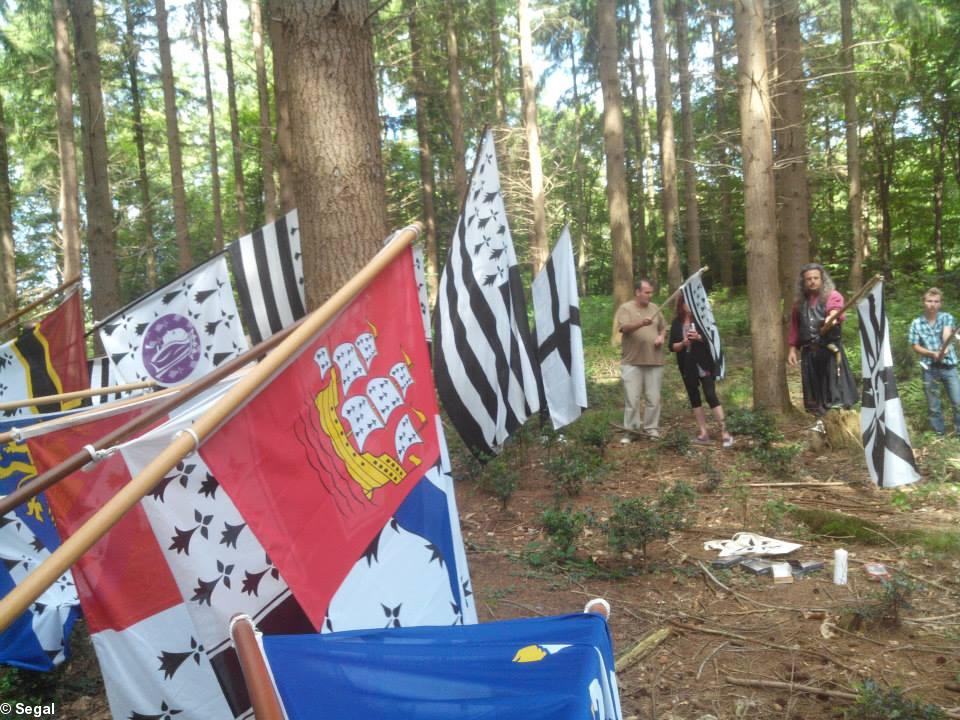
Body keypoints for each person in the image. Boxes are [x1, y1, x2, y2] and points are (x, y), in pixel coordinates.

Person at [787, 263, 858, 415]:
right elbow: (795, 327)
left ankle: (839, 426)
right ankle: (820, 423)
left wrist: (831, 318)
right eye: (808, 279)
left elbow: (835, 310)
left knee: (834, 395)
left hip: (830, 353)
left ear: (822, 279)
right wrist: (792, 349)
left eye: (816, 278)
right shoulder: (799, 303)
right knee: (815, 396)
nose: (812, 281)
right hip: (809, 354)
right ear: (803, 282)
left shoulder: (832, 296)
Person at [669, 295, 734, 448]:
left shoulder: (702, 319)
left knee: (711, 395)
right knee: (694, 397)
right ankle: (703, 433)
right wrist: (683, 343)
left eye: (691, 302)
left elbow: (713, 339)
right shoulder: (676, 323)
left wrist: (699, 337)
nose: (689, 306)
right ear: (681, 304)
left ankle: (725, 432)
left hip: (704, 363)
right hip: (686, 364)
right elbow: (672, 347)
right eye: (686, 302)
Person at [615, 280, 665, 441]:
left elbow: (663, 327)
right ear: (637, 292)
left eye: (651, 292)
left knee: (653, 398)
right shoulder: (626, 308)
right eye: (647, 292)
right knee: (632, 399)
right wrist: (641, 323)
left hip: (654, 361)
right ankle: (632, 430)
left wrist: (661, 336)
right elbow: (624, 328)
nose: (650, 295)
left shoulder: (655, 308)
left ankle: (651, 429)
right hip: (632, 362)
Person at [908, 287, 960, 436]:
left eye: (936, 301)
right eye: (929, 301)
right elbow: (915, 345)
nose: (932, 304)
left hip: (949, 366)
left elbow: (946, 335)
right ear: (923, 302)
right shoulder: (916, 323)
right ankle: (939, 433)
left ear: (940, 303)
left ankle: (959, 431)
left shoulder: (946, 317)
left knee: (957, 400)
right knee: (933, 405)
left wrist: (944, 349)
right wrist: (932, 353)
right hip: (929, 368)